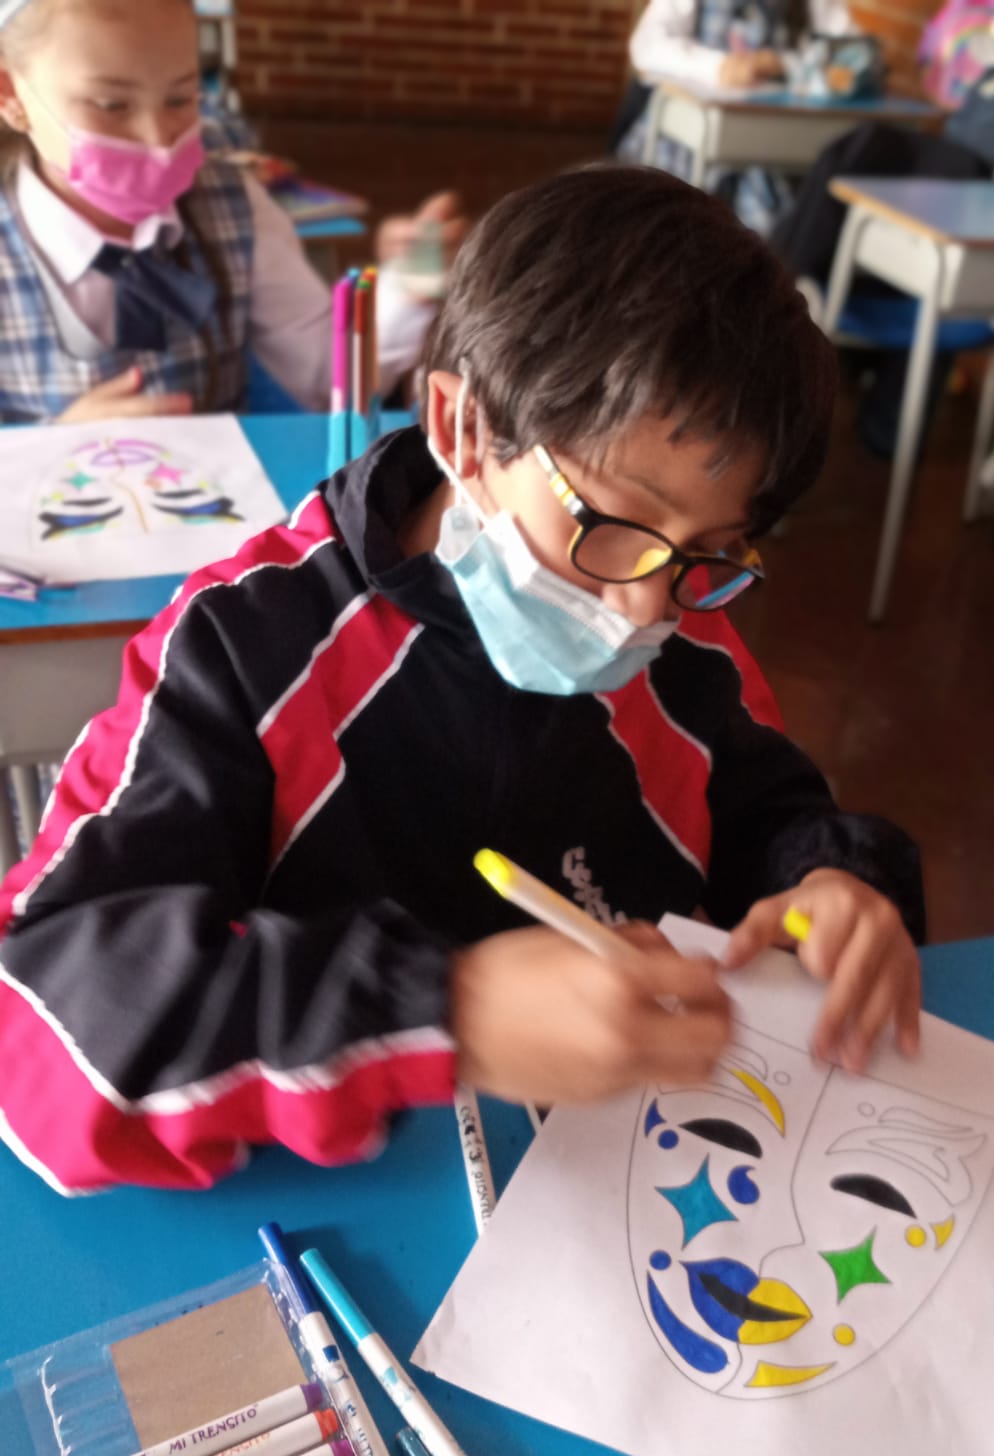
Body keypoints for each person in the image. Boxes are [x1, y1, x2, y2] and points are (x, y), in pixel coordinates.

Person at [0, 165, 925, 1194]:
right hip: (351, 1211)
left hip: (634, 1186)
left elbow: (766, 806)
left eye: (708, 549)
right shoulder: (244, 648)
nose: (645, 608)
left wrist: (829, 884)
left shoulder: (689, 636)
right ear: (462, 429)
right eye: (612, 526)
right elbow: (40, 1029)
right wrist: (451, 1011)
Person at [0, 0, 462, 424]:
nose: (158, 139)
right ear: (11, 95)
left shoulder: (231, 206)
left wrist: (407, 286)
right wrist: (53, 441)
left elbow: (327, 376)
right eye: (111, 105)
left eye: (180, 99)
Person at [614, 0, 854, 233]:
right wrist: (717, 66)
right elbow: (646, 45)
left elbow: (846, 47)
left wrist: (784, 63)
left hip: (767, 140)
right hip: (688, 137)